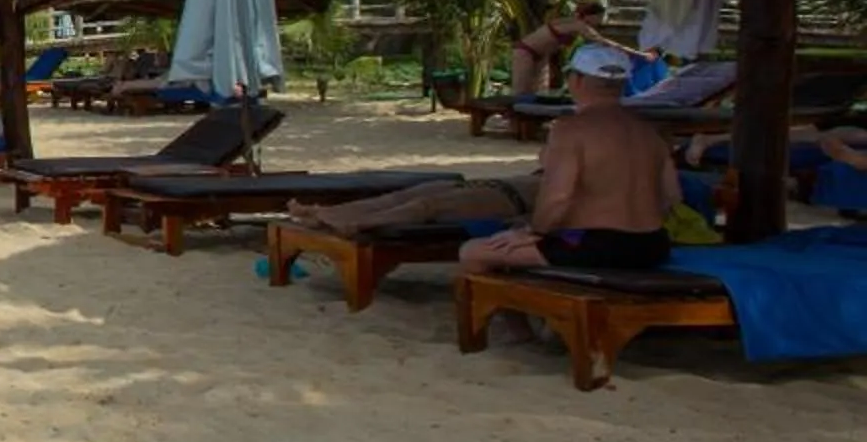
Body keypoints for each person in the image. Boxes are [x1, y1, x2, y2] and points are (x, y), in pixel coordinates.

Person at [460, 45, 677, 274]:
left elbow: (558, 197)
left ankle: (519, 308)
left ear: (577, 80)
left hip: (594, 246)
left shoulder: (570, 129)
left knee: (473, 252)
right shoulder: (649, 131)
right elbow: (671, 197)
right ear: (622, 84)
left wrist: (535, 233)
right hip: (653, 244)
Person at [287, 174, 541, 236]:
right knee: (405, 195)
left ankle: (356, 223)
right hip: (493, 184)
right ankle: (322, 212)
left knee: (427, 205)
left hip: (510, 200)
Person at [507, 0, 647, 105]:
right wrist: (640, 54)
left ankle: (529, 125)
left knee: (537, 91)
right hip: (526, 51)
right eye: (599, 17)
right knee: (521, 89)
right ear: (590, 15)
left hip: (542, 55)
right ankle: (514, 125)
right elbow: (604, 42)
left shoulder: (576, 24)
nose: (600, 21)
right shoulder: (577, 25)